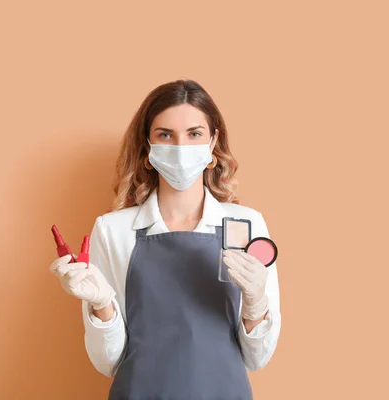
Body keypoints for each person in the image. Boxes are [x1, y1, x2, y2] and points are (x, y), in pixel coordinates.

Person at [49, 79, 281, 399]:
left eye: (194, 134)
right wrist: (102, 306)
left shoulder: (246, 225)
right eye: (165, 135)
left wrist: (256, 304)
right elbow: (108, 361)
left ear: (213, 142)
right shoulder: (113, 230)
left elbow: (257, 359)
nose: (181, 148)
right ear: (148, 145)